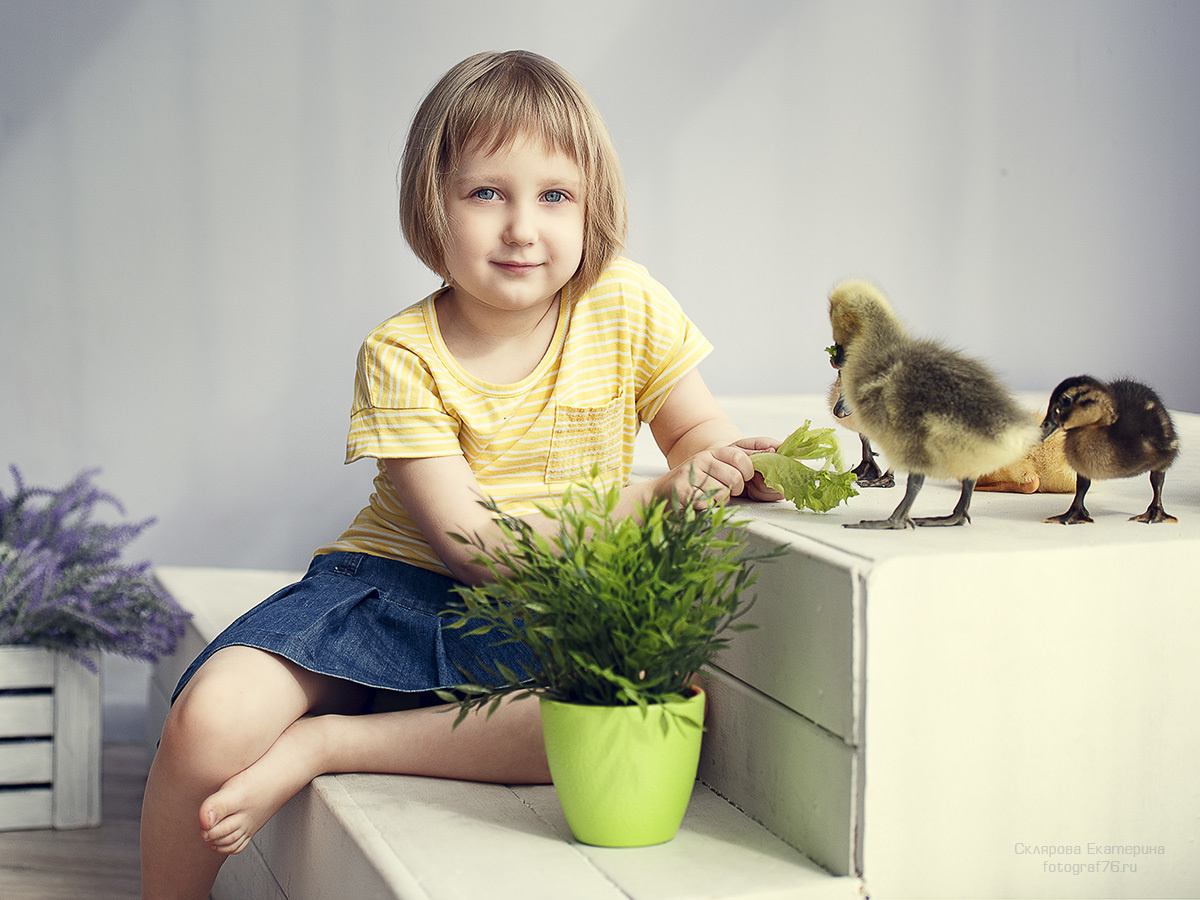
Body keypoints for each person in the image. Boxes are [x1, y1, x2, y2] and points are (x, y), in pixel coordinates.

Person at [139, 49, 781, 899]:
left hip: (551, 599)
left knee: (636, 707)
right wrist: (654, 495)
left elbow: (694, 427)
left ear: (593, 207)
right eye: (487, 193)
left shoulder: (624, 302)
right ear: (432, 207)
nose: (523, 227)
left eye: (555, 195)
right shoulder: (401, 352)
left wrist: (719, 462)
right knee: (210, 719)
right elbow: (470, 545)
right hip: (391, 587)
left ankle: (332, 743)